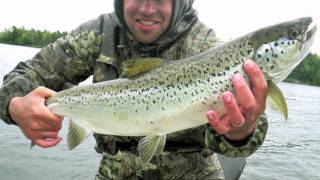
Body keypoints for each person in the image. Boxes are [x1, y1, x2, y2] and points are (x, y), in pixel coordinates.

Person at [0, 0, 268, 179]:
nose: (148, 8)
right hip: (114, 171)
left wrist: (240, 133)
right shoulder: (99, 33)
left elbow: (245, 145)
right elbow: (22, 76)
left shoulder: (210, 49)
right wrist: (16, 106)